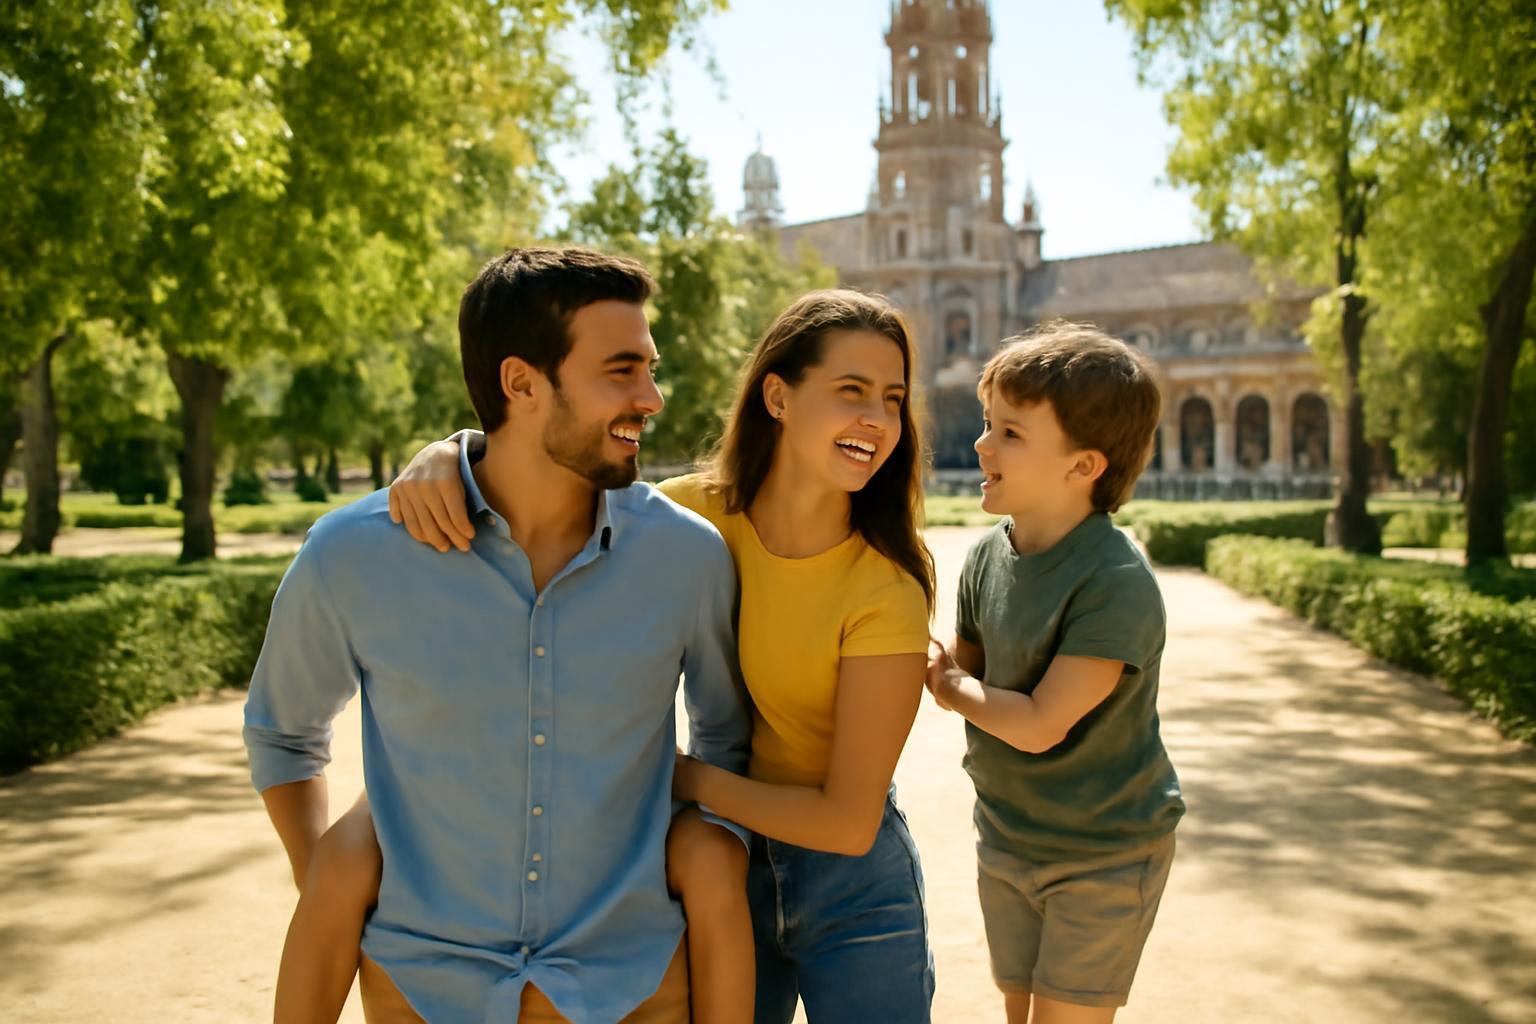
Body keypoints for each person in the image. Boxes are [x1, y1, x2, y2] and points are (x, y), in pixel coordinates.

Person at [395, 289, 939, 1022]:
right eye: (851, 391)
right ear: (777, 396)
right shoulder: (683, 517)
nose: (876, 418)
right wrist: (448, 454)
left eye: (893, 399)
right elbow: (536, 465)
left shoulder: (884, 588)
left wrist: (676, 778)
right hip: (720, 867)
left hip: (853, 886)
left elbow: (847, 822)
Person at [244, 246, 753, 1024]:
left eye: (649, 368)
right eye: (621, 371)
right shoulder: (356, 552)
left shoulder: (686, 556)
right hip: (424, 990)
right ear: (521, 383)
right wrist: (336, 887)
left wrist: (703, 856)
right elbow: (282, 733)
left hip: (635, 987)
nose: (651, 397)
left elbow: (723, 736)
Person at [924, 322, 1185, 1024]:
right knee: (1021, 1013)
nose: (982, 445)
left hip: (1103, 849)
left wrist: (946, 684)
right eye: (987, 424)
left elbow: (1037, 723)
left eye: (1011, 433)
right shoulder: (986, 556)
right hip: (1008, 833)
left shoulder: (1115, 581)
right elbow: (972, 669)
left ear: (1083, 466)